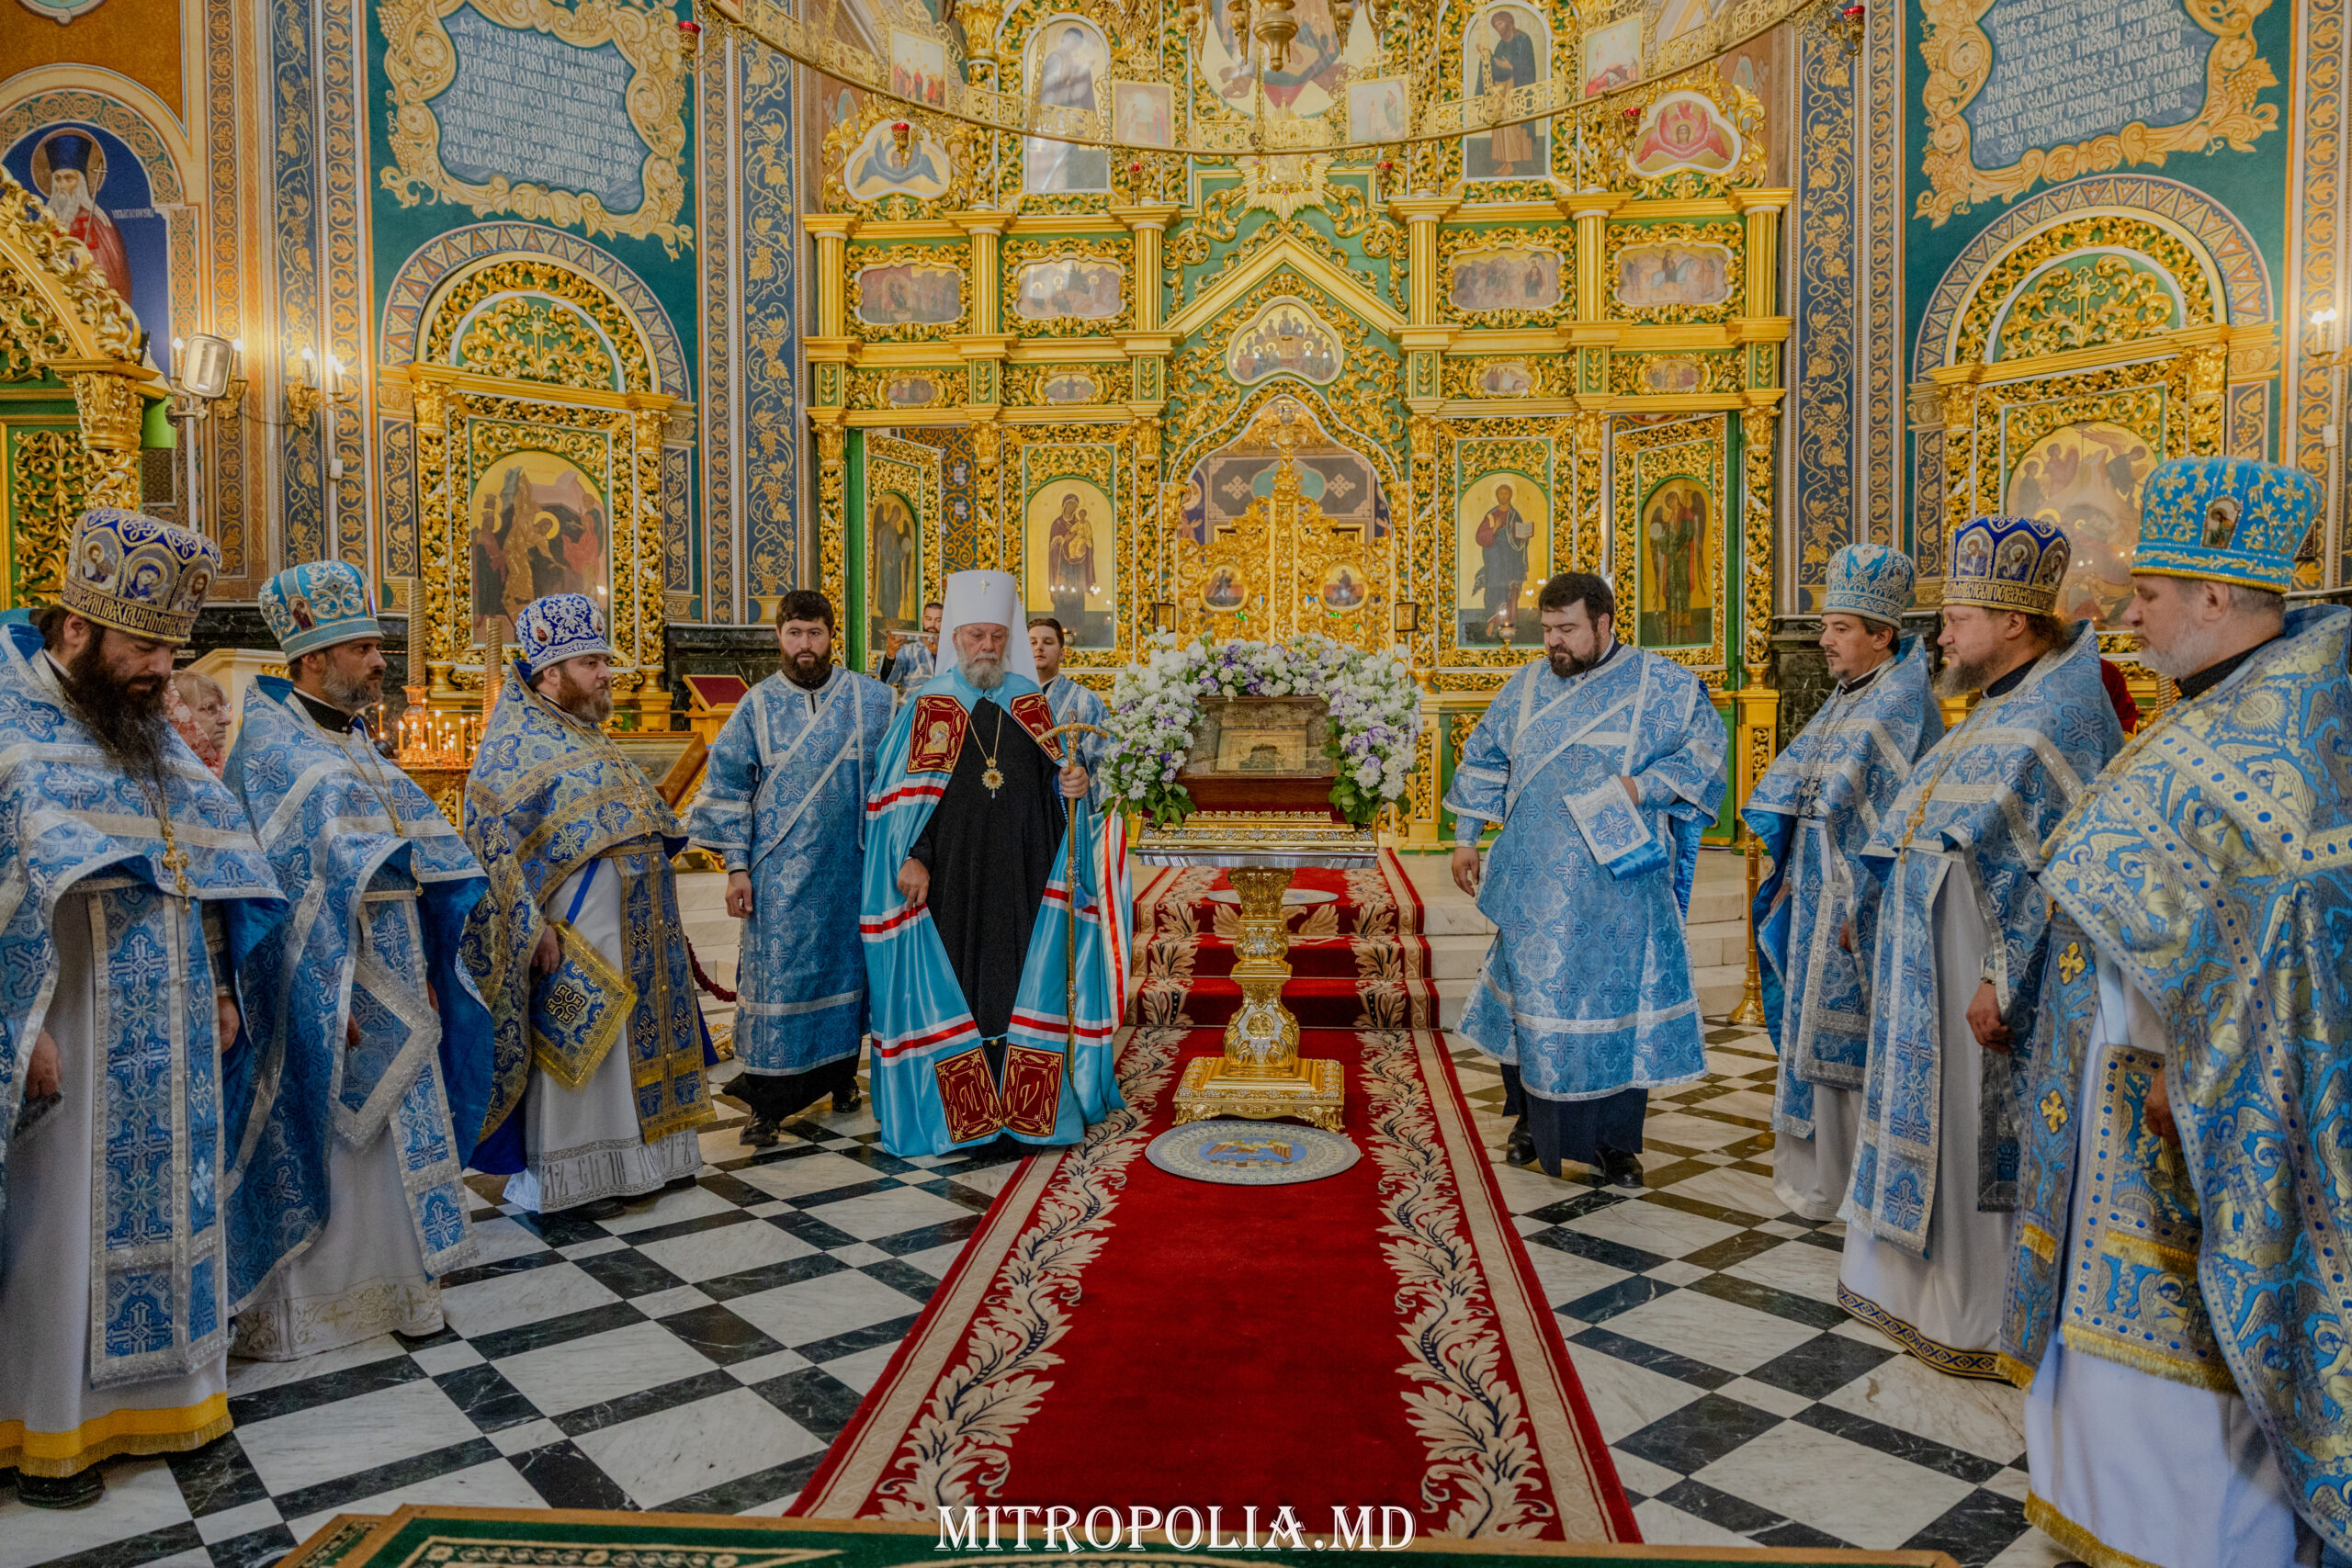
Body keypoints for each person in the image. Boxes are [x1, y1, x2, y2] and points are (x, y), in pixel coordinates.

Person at [2006, 457, 2349, 1567]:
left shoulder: (2283, 726)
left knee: (2176, 1341)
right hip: (2117, 1080)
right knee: (2106, 1332)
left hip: (2181, 1095)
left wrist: (2185, 1061)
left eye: (2147, 594)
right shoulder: (2213, 708)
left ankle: (2193, 1540)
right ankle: (2104, 1509)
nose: (2127, 613)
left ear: (2212, 596)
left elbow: (2282, 920)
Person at [0, 509, 282, 1507]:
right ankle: (51, 1432)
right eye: (145, 646)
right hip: (66, 1024)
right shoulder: (12, 730)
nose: (164, 669)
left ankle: (176, 1404)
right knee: (62, 1226)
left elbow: (204, 863)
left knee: (177, 1206)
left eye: (172, 648)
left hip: (172, 1026)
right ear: (77, 629)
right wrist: (20, 1027)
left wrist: (220, 984)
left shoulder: (144, 728)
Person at [1840, 513, 2121, 1379]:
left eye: (1958, 618)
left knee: (1970, 1134)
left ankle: (1978, 1306)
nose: (1942, 635)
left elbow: (2066, 865)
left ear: (2013, 621)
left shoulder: (2064, 715)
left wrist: (2003, 973)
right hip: (1925, 959)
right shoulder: (1989, 708)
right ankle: (1912, 1293)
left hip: (1981, 970)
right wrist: (1874, 901)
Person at [223, 561, 496, 1358]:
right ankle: (315, 1311)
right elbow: (279, 888)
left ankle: (400, 1288)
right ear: (313, 658)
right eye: (365, 649)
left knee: (394, 1135)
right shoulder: (271, 747)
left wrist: (432, 962)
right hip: (326, 976)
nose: (382, 662)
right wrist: (325, 987)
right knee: (337, 1138)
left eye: (380, 647)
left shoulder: (355, 743)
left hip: (396, 962)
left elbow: (418, 855)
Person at [1445, 572, 1728, 1185]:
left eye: (1568, 629)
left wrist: (1642, 787)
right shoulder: (1524, 688)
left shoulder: (1663, 685)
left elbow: (1706, 754)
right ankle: (1529, 1122)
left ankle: (1614, 1143)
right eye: (1548, 629)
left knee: (1616, 1004)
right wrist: (1467, 836)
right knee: (1533, 1001)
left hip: (1618, 886)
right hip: (1534, 885)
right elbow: (1485, 755)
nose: (1554, 642)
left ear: (1604, 623)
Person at [462, 594, 714, 1219]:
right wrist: (530, 926)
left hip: (638, 922)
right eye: (592, 663)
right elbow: (490, 846)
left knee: (632, 1040)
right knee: (585, 1045)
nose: (607, 674)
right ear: (551, 673)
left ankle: (649, 1159)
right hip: (575, 931)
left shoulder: (587, 732)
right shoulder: (515, 744)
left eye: (605, 661)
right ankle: (576, 1177)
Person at [861, 570, 1127, 1156]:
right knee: (959, 988)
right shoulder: (928, 706)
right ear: (955, 638)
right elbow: (903, 802)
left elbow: (1054, 787)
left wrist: (1072, 786)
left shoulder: (1029, 703)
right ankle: (966, 1117)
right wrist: (913, 858)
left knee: (1022, 986)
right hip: (950, 881)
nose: (987, 646)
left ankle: (1027, 1111)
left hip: (1025, 875)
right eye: (976, 635)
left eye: (996, 636)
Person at [1743, 546, 1942, 1220]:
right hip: (1816, 893)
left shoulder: (1901, 702)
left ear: (1881, 635)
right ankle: (1817, 1176)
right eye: (1825, 627)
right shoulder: (1848, 694)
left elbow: (1893, 817)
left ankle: (1851, 1180)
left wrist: (1863, 901)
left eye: (1839, 628)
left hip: (1856, 901)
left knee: (1848, 1042)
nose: (1824, 640)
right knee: (1812, 1036)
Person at [686, 591, 892, 1145]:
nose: (806, 644)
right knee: (778, 984)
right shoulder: (756, 706)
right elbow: (728, 788)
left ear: (831, 636)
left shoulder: (872, 701)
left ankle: (842, 1077)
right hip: (778, 877)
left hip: (852, 870)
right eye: (795, 633)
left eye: (815, 633)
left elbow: (897, 777)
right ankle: (767, 1104)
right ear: (779, 636)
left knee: (846, 977)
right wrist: (736, 867)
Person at [1029, 615, 1109, 810]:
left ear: (1062, 653)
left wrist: (1082, 776)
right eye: (1032, 643)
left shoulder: (1086, 701)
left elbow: (1105, 762)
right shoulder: (1009, 701)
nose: (1039, 648)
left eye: (1048, 642)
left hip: (1069, 804)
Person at [167, 668, 230, 773]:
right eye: (210, 708)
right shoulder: (154, 777)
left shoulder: (230, 773)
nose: (226, 720)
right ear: (177, 716)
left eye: (226, 708)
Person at [878, 599, 941, 701]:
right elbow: (889, 678)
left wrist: (937, 655)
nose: (932, 624)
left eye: (938, 620)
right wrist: (891, 653)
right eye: (928, 619)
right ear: (922, 620)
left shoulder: (953, 652)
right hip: (912, 706)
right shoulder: (908, 650)